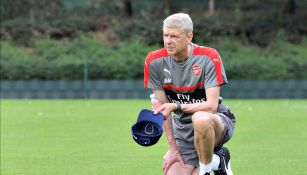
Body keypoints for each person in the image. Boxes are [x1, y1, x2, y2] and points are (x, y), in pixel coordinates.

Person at [143, 13, 236, 175]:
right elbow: (164, 111)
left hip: (214, 122)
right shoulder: (154, 61)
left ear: (189, 36)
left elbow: (211, 106)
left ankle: (206, 169)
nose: (168, 41)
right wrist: (172, 148)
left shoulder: (208, 57)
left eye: (174, 36)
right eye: (165, 35)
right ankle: (217, 161)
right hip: (183, 132)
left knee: (200, 118)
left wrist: (177, 105)